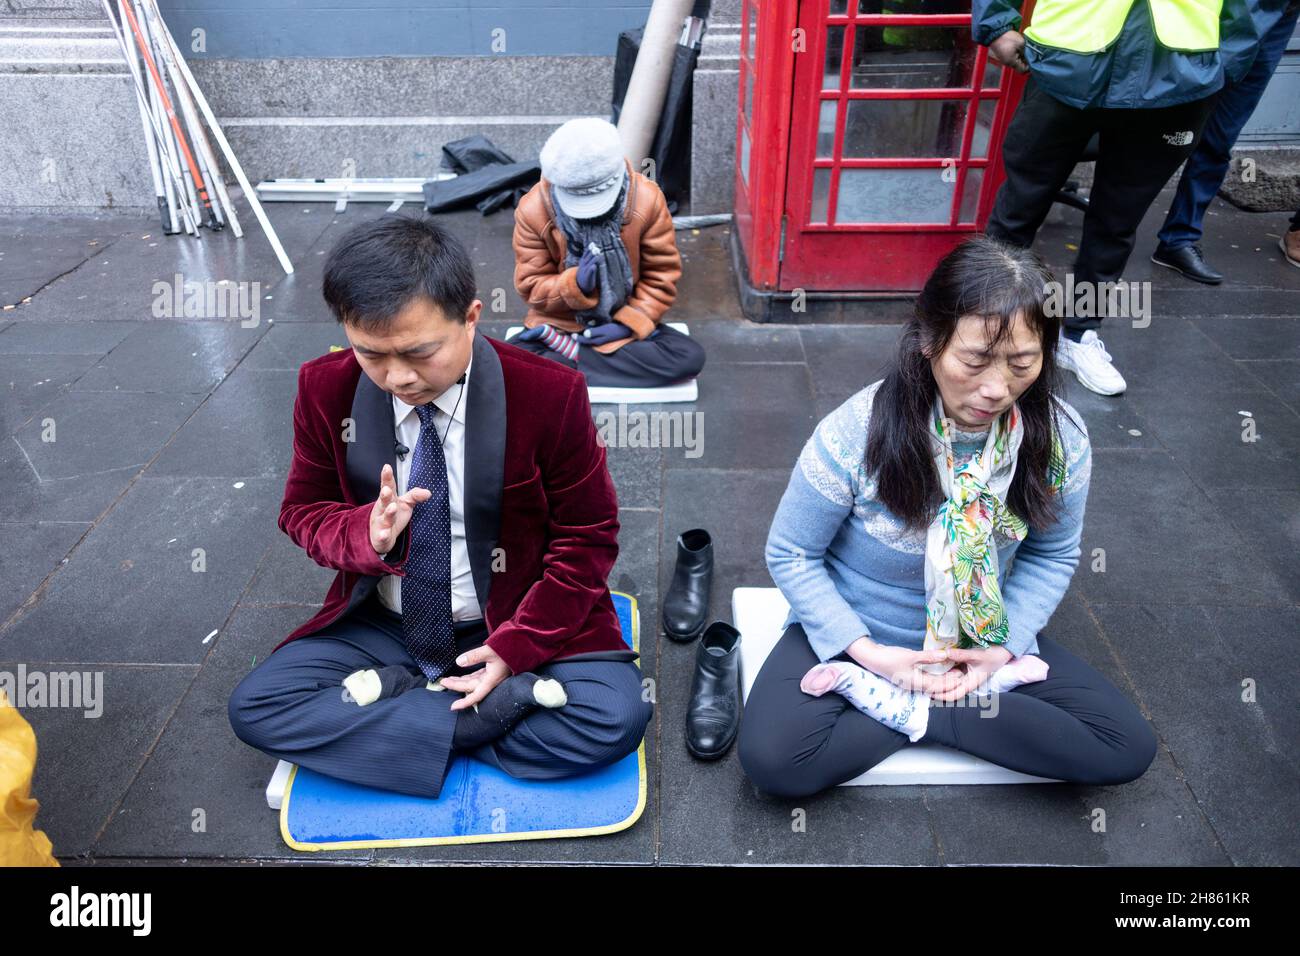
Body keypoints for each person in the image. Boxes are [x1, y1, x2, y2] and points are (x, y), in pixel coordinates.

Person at [227, 215, 653, 799]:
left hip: (518, 616)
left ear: (471, 318)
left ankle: (399, 722)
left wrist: (515, 647)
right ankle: (486, 715)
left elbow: (589, 536)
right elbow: (302, 511)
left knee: (613, 721)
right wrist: (365, 534)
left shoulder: (549, 392)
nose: (398, 377)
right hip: (389, 624)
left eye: (419, 352)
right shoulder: (324, 388)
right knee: (257, 708)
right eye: (371, 354)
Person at [737, 236, 1157, 799]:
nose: (995, 389)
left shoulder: (1061, 440)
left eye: (1021, 364)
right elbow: (792, 553)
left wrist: (999, 653)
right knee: (774, 760)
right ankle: (926, 702)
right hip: (863, 639)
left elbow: (1053, 552)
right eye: (975, 360)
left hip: (977, 640)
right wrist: (872, 655)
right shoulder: (856, 431)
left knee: (1124, 746)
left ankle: (918, 712)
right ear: (929, 341)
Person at [974, 0, 1232, 396]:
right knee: (1018, 207)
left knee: (1117, 221)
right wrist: (995, 23)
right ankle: (984, 321)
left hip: (1177, 79)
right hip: (1068, 63)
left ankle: (1078, 334)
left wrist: (1222, 66)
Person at [507, 116, 706, 389]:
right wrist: (574, 284)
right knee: (508, 360)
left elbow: (661, 276)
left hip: (621, 319)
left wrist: (628, 324)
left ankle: (567, 359)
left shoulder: (647, 199)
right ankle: (577, 357)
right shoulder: (533, 210)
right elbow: (531, 287)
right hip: (561, 322)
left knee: (688, 357)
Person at [1152, 0, 1300, 283]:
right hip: (1228, 8)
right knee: (1162, 122)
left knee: (1220, 138)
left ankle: (1178, 238)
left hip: (1283, 12)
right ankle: (1110, 233)